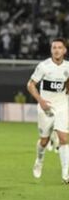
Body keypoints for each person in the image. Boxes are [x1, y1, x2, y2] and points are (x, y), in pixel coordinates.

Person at [27, 38, 69, 183]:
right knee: (44, 141)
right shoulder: (44, 66)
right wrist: (41, 101)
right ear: (51, 50)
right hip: (46, 107)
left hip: (63, 106)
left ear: (64, 50)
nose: (56, 50)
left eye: (59, 47)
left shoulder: (68, 67)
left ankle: (66, 173)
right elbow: (31, 85)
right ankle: (39, 160)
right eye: (54, 47)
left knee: (64, 138)